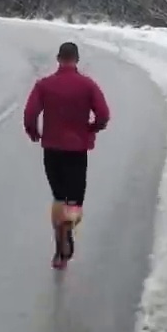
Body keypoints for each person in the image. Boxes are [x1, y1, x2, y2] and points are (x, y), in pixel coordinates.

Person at [23, 41, 110, 269]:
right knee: (75, 198)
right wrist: (91, 128)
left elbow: (30, 113)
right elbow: (103, 114)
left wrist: (34, 131)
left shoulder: (44, 85)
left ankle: (59, 249)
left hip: (52, 148)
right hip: (77, 150)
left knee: (58, 196)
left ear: (58, 58)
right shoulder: (87, 85)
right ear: (77, 60)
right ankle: (68, 228)